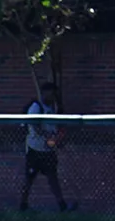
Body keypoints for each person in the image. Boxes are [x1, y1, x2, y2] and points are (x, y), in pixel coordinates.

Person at [20, 81, 70, 213]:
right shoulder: (36, 107)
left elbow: (56, 127)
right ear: (44, 93)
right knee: (29, 179)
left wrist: (57, 139)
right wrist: (47, 136)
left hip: (48, 150)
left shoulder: (52, 109)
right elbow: (34, 126)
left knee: (53, 178)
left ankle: (62, 206)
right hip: (34, 150)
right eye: (51, 94)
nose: (53, 96)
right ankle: (23, 205)